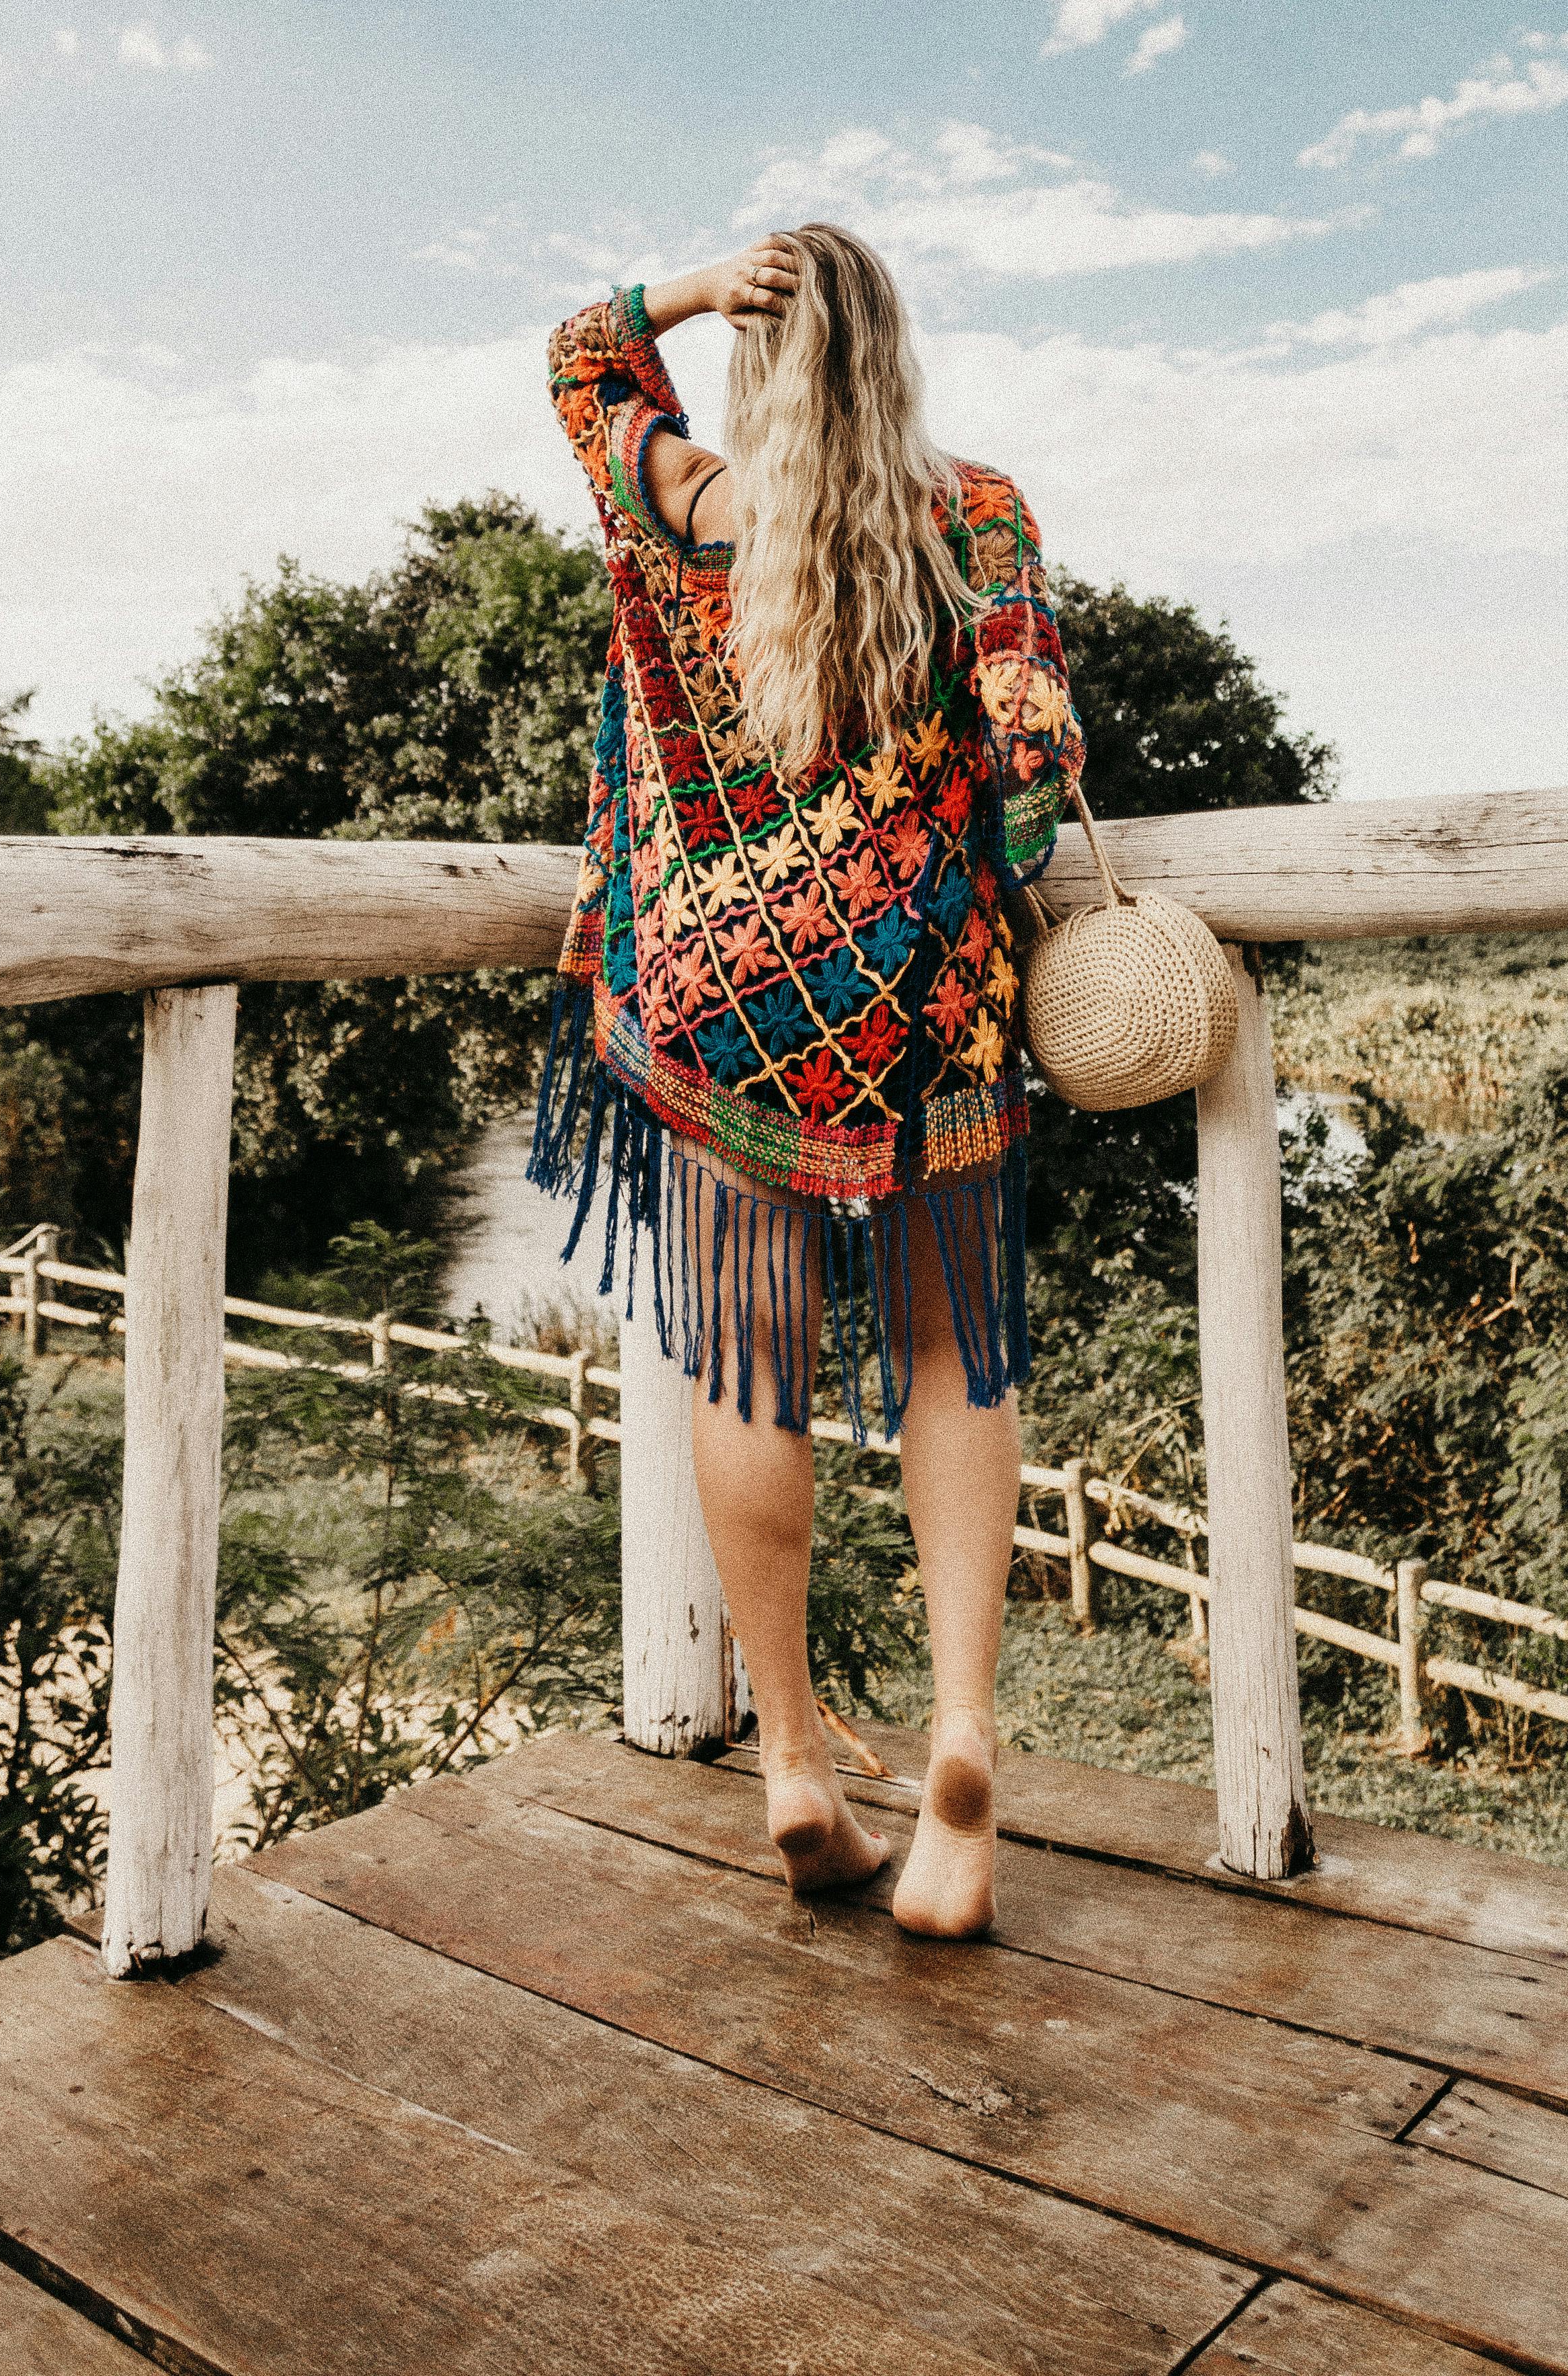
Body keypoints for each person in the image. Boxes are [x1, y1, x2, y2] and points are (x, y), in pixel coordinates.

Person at [532, 225, 1083, 1938]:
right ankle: (964, 1749)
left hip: (721, 1010)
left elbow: (572, 360)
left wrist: (691, 294)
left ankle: (787, 1764)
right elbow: (1032, 771)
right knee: (948, 1354)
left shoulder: (680, 504)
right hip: (918, 1010)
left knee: (749, 1372)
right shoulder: (973, 512)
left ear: (765, 357)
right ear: (896, 353)